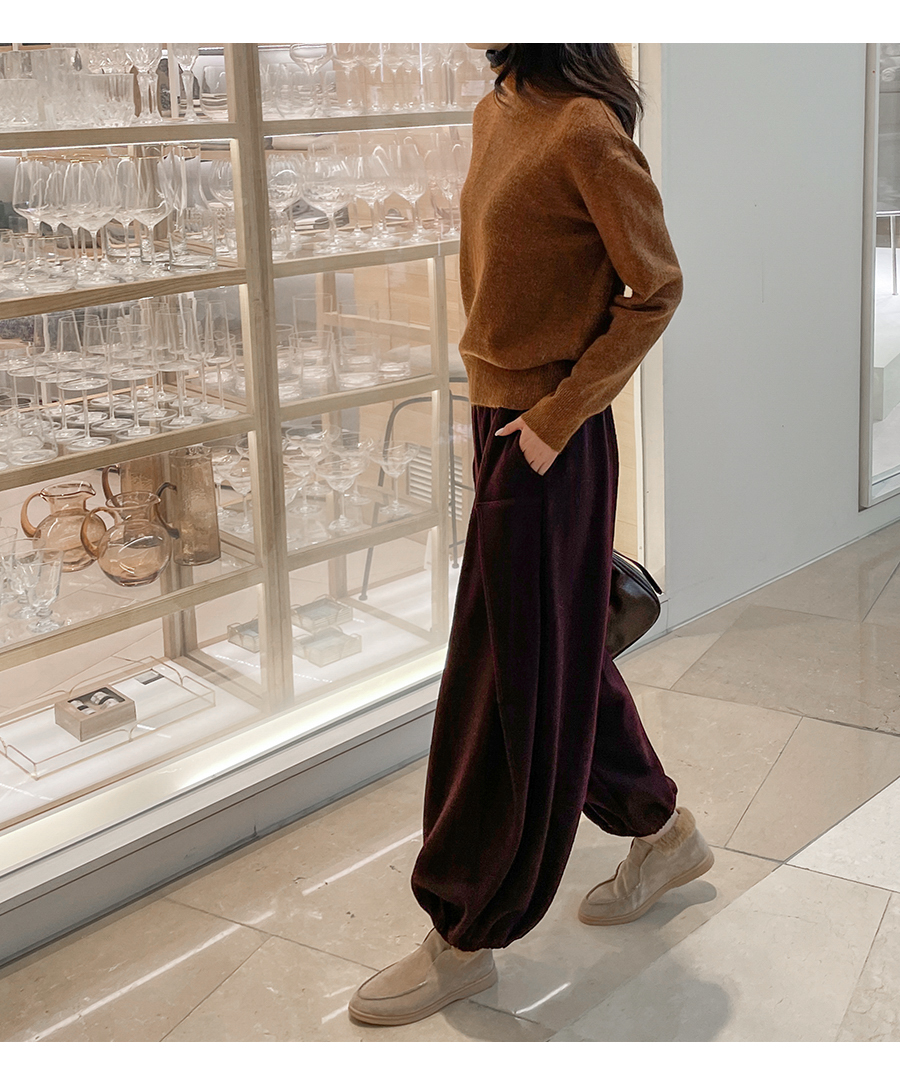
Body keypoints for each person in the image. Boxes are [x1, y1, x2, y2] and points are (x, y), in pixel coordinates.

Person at [348, 43, 713, 1027]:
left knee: (502, 679)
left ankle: (465, 933)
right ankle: (662, 831)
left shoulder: (583, 130)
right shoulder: (499, 108)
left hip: (550, 436)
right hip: (503, 421)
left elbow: (657, 287)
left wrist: (554, 419)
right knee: (554, 657)